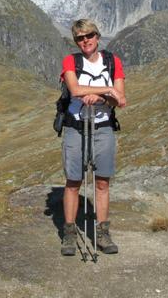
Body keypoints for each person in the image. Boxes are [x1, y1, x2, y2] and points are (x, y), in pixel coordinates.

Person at [59, 18, 126, 256]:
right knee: (74, 181)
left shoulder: (112, 62)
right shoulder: (71, 61)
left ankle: (103, 233)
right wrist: (107, 90)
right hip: (75, 127)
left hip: (103, 126)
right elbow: (75, 91)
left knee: (102, 181)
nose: (84, 41)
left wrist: (102, 98)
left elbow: (122, 99)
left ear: (97, 36)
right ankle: (69, 233)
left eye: (88, 36)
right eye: (79, 38)